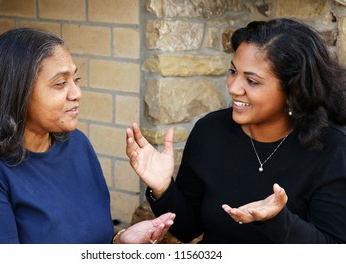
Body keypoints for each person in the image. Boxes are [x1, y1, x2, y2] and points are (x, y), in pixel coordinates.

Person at [126, 18, 346, 243]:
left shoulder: (333, 150)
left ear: (295, 90)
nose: (233, 87)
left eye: (251, 81)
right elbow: (188, 229)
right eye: (233, 71)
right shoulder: (210, 131)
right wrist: (163, 189)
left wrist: (279, 221)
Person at [0, 27, 175, 244]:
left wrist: (118, 244)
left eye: (75, 80)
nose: (76, 93)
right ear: (16, 91)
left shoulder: (77, 144)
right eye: (60, 83)